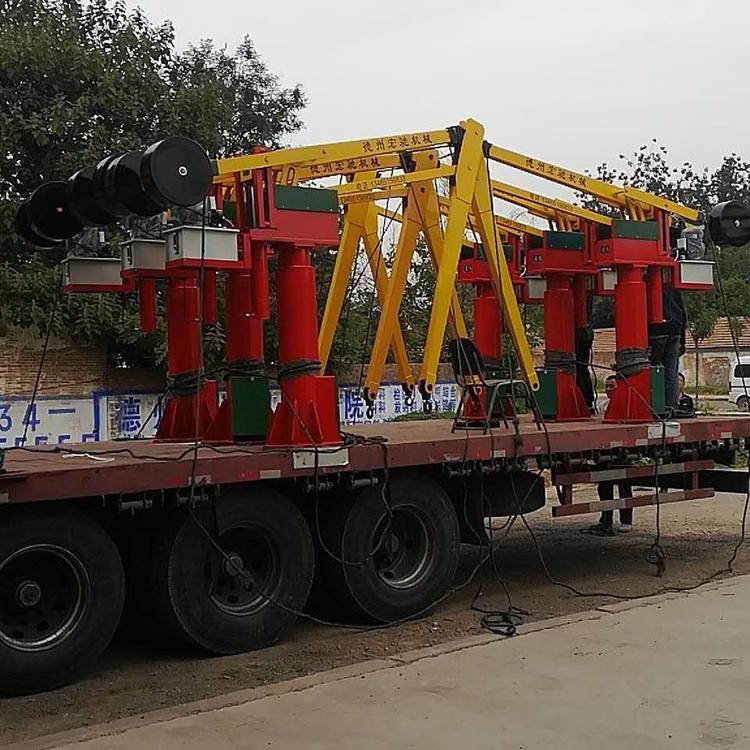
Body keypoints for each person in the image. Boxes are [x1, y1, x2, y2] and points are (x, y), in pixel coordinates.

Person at [587, 375, 634, 535]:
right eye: (606, 386)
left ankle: (626, 520)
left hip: (622, 451)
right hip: (605, 451)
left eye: (611, 386)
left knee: (624, 486)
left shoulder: (627, 404)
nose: (608, 390)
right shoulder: (602, 406)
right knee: (604, 486)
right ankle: (606, 520)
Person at [648, 286, 687, 412]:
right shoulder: (673, 288)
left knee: (652, 370)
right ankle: (670, 407)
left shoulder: (649, 286)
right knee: (671, 373)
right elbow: (683, 313)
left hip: (656, 330)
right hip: (675, 330)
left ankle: (653, 406)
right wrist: (683, 341)